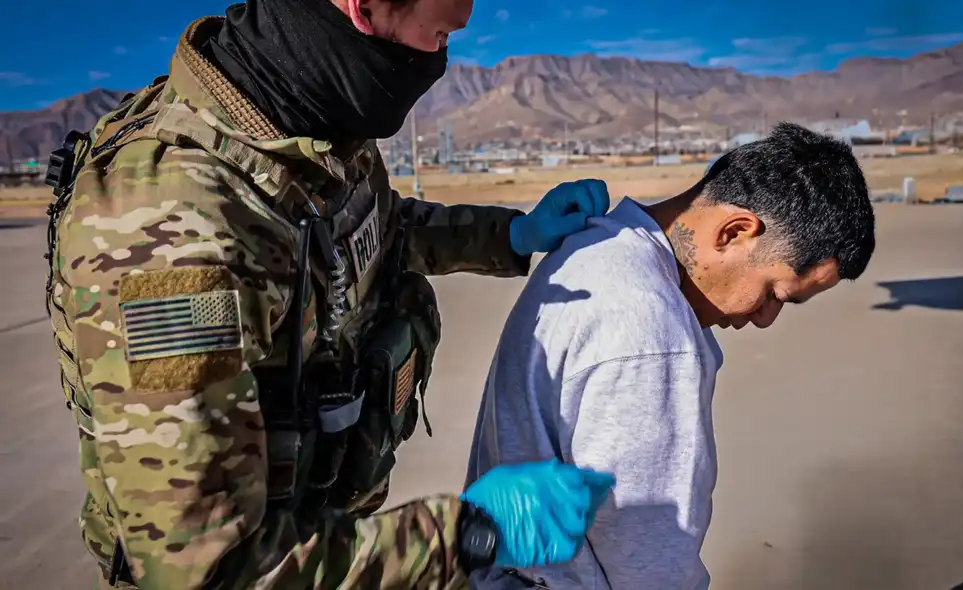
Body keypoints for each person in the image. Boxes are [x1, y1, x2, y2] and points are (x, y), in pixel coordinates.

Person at [41, 0, 617, 588]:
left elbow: (369, 228)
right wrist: (469, 536)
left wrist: (511, 234)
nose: (442, 57)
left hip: (331, 526)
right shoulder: (173, 236)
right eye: (441, 33)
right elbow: (207, 573)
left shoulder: (305, 113)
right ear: (362, 7)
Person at [464, 122, 877, 589]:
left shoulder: (595, 244)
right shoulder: (651, 333)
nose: (764, 318)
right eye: (775, 293)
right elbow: (647, 554)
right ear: (735, 231)